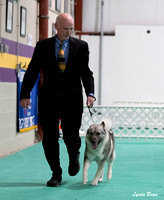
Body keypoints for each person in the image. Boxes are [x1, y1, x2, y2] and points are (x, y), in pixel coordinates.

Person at [20, 13, 95, 187]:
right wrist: (25, 94)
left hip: (73, 99)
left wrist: (90, 93)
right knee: (49, 139)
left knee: (71, 136)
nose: (68, 32)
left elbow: (86, 72)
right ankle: (56, 173)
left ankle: (73, 156)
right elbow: (32, 71)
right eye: (65, 29)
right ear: (56, 26)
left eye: (71, 29)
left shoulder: (81, 46)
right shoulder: (43, 46)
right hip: (49, 100)